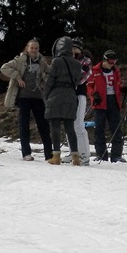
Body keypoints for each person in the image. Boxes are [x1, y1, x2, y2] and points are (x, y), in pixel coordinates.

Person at [0, 39, 51, 161]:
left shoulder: (42, 61)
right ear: (27, 48)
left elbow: (49, 73)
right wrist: (17, 77)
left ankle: (49, 153)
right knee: (24, 124)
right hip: (24, 97)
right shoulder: (20, 60)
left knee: (43, 125)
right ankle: (26, 153)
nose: (34, 50)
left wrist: (45, 81)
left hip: (38, 97)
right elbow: (4, 68)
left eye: (36, 48)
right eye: (32, 48)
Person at [42, 36, 82, 166]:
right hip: (71, 95)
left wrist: (45, 95)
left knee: (55, 127)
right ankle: (76, 157)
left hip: (56, 95)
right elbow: (77, 81)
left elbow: (50, 80)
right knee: (70, 127)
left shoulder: (57, 61)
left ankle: (56, 156)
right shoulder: (77, 63)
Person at [86, 50, 124, 163]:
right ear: (105, 59)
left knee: (116, 128)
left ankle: (116, 155)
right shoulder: (95, 70)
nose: (112, 63)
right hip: (100, 101)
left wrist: (123, 89)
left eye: (114, 61)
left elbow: (117, 86)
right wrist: (94, 94)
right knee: (99, 129)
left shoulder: (116, 71)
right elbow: (89, 86)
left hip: (113, 101)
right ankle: (101, 154)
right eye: (110, 61)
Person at [70, 38, 93, 165]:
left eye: (75, 47)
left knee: (79, 124)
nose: (73, 50)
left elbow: (81, 77)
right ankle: (73, 151)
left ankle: (84, 154)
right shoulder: (67, 59)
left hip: (79, 94)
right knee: (70, 124)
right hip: (68, 95)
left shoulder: (85, 61)